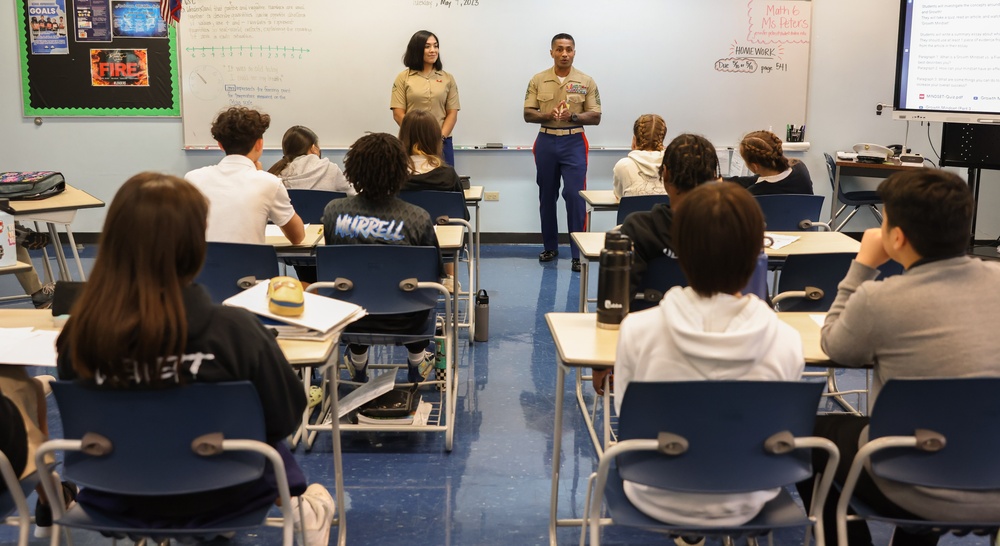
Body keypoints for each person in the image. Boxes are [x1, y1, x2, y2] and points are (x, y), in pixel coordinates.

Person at [55, 173, 334, 545]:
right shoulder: (235, 330)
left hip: (119, 496)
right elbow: (284, 416)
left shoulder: (79, 337)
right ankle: (304, 510)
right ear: (194, 245)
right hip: (228, 493)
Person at [798, 168, 1000, 546]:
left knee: (812, 436)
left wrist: (863, 265)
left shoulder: (882, 299)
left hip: (914, 485)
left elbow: (835, 346)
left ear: (895, 236)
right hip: (993, 473)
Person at [614, 182, 803, 535]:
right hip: (750, 493)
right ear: (757, 253)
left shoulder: (638, 330)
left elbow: (627, 417)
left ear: (680, 251)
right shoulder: (787, 340)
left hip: (653, 491)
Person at [320, 133, 442, 384]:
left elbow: (338, 263)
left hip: (349, 319)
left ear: (353, 170)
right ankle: (418, 360)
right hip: (408, 319)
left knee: (352, 284)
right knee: (416, 289)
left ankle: (357, 360)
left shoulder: (333, 211)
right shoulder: (417, 217)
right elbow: (433, 276)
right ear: (401, 171)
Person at [524, 33, 602, 272]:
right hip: (546, 141)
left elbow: (596, 116)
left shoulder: (586, 81)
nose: (564, 53)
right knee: (547, 195)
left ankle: (578, 253)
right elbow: (528, 114)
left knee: (574, 196)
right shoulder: (538, 79)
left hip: (574, 142)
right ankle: (550, 246)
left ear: (574, 52)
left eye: (569, 49)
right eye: (559, 49)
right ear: (552, 52)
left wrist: (573, 116)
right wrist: (547, 115)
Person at [185, 107, 305, 246]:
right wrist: (260, 175)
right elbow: (298, 236)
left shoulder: (193, 179)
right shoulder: (269, 183)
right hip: (251, 268)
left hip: (205, 267)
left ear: (220, 145)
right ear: (259, 143)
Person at [619, 133, 720, 294]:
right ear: (714, 180)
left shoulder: (637, 228)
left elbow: (616, 299)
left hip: (649, 317)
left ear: (665, 174)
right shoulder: (733, 230)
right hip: (715, 319)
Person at [398, 109, 468, 292]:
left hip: (399, 244)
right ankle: (450, 278)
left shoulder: (393, 175)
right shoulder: (448, 174)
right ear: (435, 138)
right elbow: (462, 216)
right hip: (443, 245)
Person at [391, 30, 460, 167]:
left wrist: (439, 138)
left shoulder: (448, 78)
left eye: (436, 46)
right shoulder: (403, 78)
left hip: (442, 141)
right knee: (411, 182)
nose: (433, 50)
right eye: (427, 46)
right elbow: (398, 114)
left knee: (444, 182)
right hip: (412, 142)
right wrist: (417, 137)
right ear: (416, 49)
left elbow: (452, 113)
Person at [267, 125, 355, 195]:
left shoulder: (276, 175)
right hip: (324, 218)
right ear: (313, 148)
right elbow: (353, 195)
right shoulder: (330, 169)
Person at [725, 130, 813, 195]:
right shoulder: (800, 169)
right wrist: (723, 181)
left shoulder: (754, 194)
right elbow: (755, 180)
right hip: (806, 220)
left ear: (754, 167)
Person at [613, 114, 668, 198]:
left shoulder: (623, 165)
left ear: (634, 140)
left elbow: (619, 196)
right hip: (665, 211)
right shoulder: (672, 165)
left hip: (632, 211)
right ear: (662, 140)